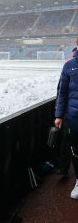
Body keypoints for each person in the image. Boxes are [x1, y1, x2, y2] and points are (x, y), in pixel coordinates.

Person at [55, 43, 78, 199]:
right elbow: (62, 93)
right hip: (74, 118)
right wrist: (58, 115)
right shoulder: (69, 66)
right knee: (76, 152)